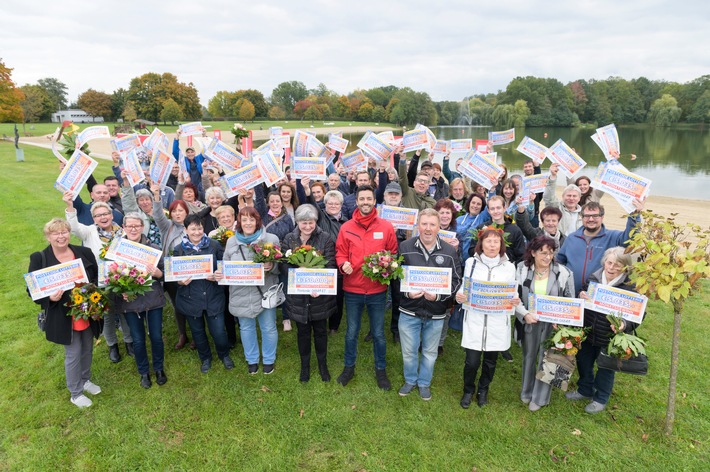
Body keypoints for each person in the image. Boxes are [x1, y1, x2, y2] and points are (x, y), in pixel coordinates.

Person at [28, 218, 102, 408]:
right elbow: (33, 291)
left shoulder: (83, 252)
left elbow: (95, 277)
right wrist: (49, 298)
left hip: (85, 310)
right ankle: (75, 393)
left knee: (87, 347)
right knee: (73, 352)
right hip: (62, 315)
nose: (61, 236)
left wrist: (90, 290)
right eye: (56, 233)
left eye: (64, 232)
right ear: (48, 236)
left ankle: (85, 380)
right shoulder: (39, 258)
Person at [335, 185, 398, 390]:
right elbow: (340, 253)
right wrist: (342, 264)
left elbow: (393, 253)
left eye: (368, 199)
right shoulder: (346, 228)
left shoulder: (385, 227)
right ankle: (348, 368)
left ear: (374, 201)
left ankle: (381, 370)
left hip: (377, 291)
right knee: (351, 331)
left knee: (379, 333)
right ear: (356, 201)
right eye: (361, 199)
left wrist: (388, 263)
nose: (365, 202)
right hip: (352, 289)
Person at [398, 209, 462, 400]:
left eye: (432, 225)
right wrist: (406, 292)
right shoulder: (405, 246)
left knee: (430, 352)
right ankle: (410, 380)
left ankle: (424, 383)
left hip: (436, 312)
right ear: (418, 225)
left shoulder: (449, 252)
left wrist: (439, 297)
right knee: (409, 351)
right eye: (424, 224)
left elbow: (456, 281)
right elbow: (395, 276)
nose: (428, 229)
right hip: (409, 309)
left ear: (439, 227)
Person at [566, 247, 640, 414]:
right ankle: (584, 389)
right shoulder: (594, 278)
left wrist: (625, 325)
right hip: (589, 331)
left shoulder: (630, 287)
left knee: (606, 367)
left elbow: (637, 315)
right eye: (609, 262)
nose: (612, 267)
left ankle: (600, 397)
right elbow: (583, 294)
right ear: (604, 262)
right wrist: (581, 296)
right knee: (584, 362)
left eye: (617, 265)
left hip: (609, 336)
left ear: (625, 267)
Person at [64, 193, 133, 363]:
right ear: (94, 218)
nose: (103, 217)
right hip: (100, 282)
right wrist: (70, 207)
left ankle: (129, 342)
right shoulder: (89, 232)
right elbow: (73, 227)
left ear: (111, 215)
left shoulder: (122, 232)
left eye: (106, 214)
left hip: (122, 280)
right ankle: (112, 345)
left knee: (125, 312)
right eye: (98, 215)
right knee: (108, 314)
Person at [456, 226, 519, 408]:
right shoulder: (471, 263)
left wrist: (513, 299)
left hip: (497, 322)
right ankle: (468, 390)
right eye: (488, 241)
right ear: (481, 244)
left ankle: (483, 390)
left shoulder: (509, 267)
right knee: (472, 362)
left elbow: (512, 292)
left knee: (490, 362)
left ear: (501, 245)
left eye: (496, 242)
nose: (492, 245)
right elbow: (464, 286)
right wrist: (460, 295)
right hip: (475, 320)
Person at [514, 236, 575, 411]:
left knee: (547, 358)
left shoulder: (563, 273)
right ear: (532, 253)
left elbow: (570, 300)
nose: (547, 257)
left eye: (550, 253)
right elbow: (515, 297)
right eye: (543, 253)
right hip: (530, 321)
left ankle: (540, 398)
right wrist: (524, 314)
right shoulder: (522, 269)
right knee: (529, 356)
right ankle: (526, 391)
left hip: (553, 325)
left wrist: (562, 322)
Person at [282, 205, 337, 382]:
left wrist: (317, 286)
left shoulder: (325, 238)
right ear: (297, 222)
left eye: (311, 222)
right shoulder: (290, 239)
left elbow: (330, 265)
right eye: (304, 223)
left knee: (320, 331)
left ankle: (323, 365)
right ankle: (305, 366)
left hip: (318, 296)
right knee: (303, 333)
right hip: (298, 297)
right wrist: (299, 268)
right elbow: (284, 264)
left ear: (316, 221)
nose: (307, 226)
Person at [111, 213, 167, 389]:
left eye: (137, 226)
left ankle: (159, 368)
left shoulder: (153, 248)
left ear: (142, 227)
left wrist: (159, 274)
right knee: (138, 339)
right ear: (124, 227)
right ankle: (143, 372)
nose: (133, 229)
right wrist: (121, 292)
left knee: (156, 337)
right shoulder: (116, 249)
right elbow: (109, 276)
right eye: (129, 226)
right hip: (130, 304)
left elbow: (165, 272)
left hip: (153, 300)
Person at [172, 214, 233, 374]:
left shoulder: (214, 245)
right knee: (197, 332)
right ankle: (205, 358)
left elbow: (223, 266)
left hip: (213, 296)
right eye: (193, 228)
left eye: (199, 228)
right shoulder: (178, 249)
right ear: (186, 230)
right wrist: (179, 281)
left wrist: (218, 275)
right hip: (190, 298)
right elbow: (173, 275)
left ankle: (224, 354)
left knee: (219, 331)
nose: (197, 232)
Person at [224, 207, 280, 375]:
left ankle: (269, 359)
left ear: (257, 221)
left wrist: (272, 265)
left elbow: (280, 266)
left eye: (251, 219)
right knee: (246, 327)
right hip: (240, 292)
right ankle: (252, 360)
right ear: (239, 222)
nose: (248, 223)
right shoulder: (231, 241)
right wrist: (221, 273)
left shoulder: (270, 239)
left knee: (268, 327)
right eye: (244, 219)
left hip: (264, 291)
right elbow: (226, 265)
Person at [557, 200, 644, 295]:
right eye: (587, 216)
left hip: (599, 296)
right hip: (572, 294)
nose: (591, 219)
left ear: (602, 217)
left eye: (595, 216)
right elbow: (560, 262)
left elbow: (631, 237)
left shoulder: (613, 237)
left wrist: (634, 215)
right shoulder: (571, 238)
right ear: (582, 218)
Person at [151, 184, 192, 350]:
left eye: (181, 210)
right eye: (174, 211)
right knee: (177, 304)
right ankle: (183, 333)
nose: (177, 214)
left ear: (186, 212)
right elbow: (158, 215)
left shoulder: (192, 227)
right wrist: (156, 197)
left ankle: (197, 334)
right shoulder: (167, 226)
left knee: (192, 302)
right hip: (172, 272)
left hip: (190, 271)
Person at [543, 163, 583, 237]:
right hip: (559, 245)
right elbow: (548, 198)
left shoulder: (583, 213)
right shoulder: (556, 208)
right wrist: (553, 177)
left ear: (579, 198)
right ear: (563, 196)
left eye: (574, 196)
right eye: (568, 195)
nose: (571, 198)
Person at [456, 193, 490, 259]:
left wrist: (492, 189)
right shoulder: (459, 219)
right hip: (456, 258)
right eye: (473, 202)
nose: (475, 206)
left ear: (482, 207)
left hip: (470, 259)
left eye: (478, 204)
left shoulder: (482, 218)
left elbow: (490, 204)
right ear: (469, 203)